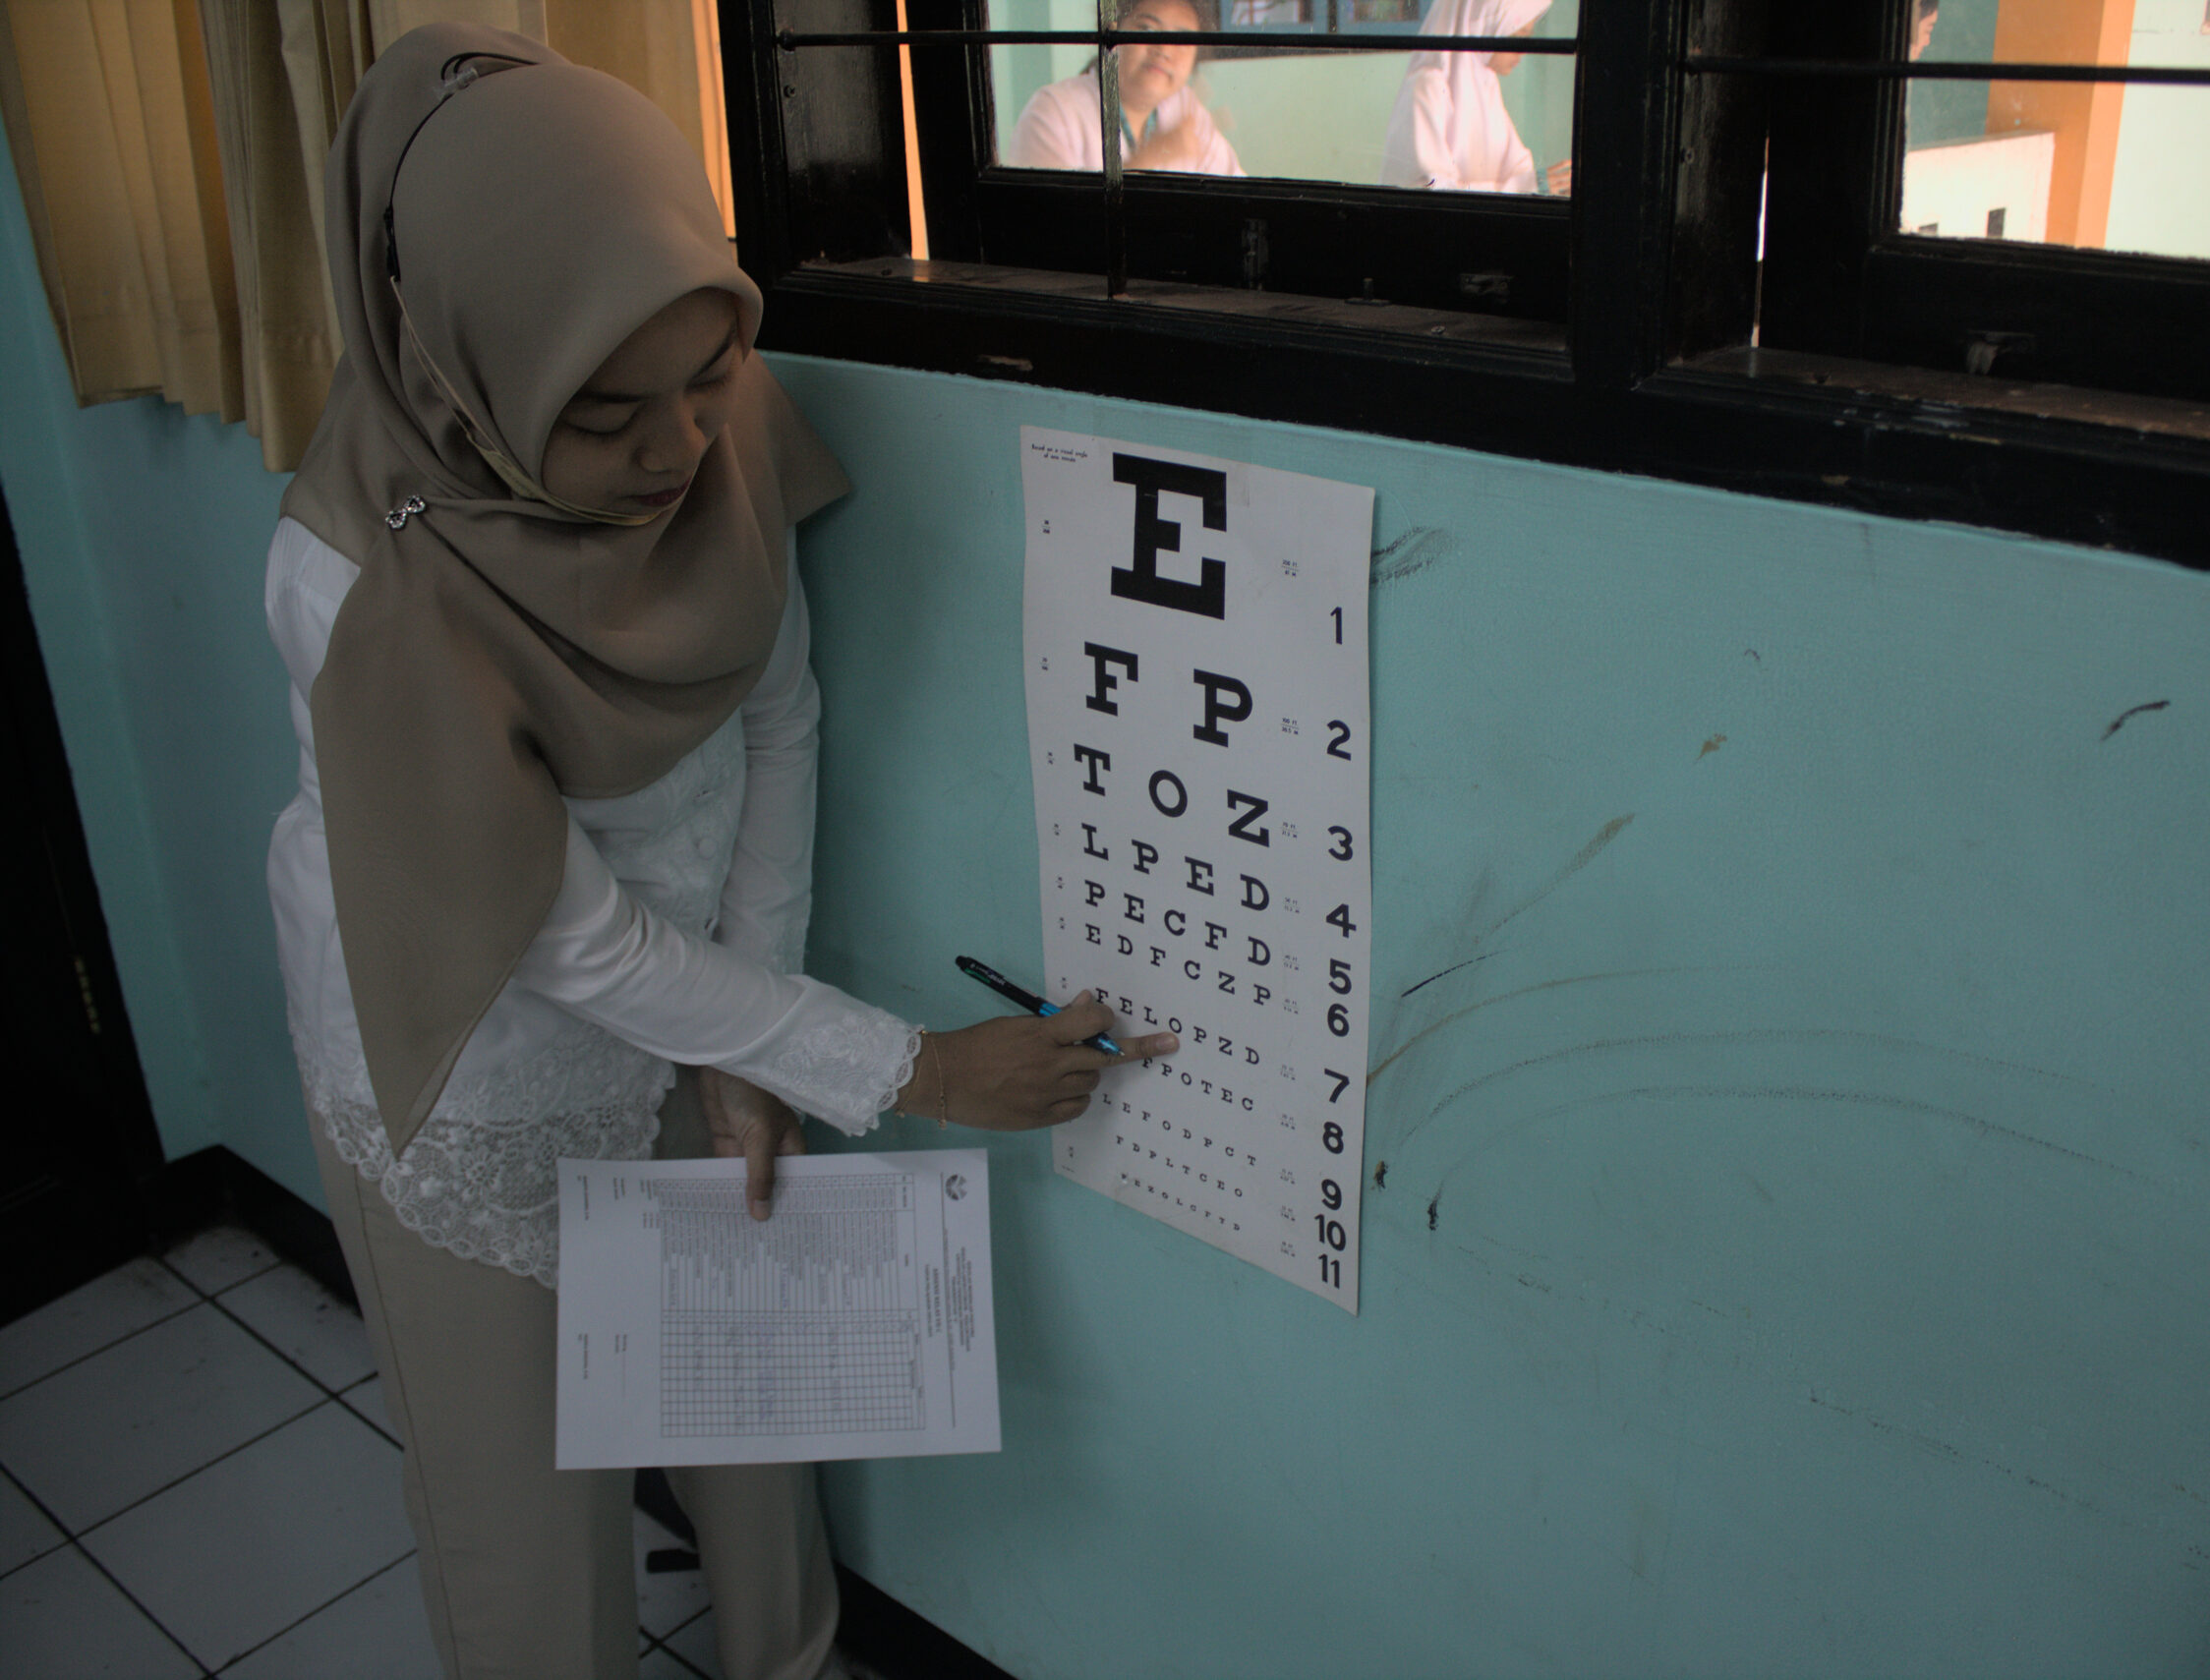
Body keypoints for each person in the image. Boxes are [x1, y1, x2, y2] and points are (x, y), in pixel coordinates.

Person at [265, 24, 1172, 1680]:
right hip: (484, 1057)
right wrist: (913, 1069)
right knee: (530, 1555)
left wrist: (755, 1055)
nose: (680, 450)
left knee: (756, 1428)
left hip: (709, 1001)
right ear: (468, 365)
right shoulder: (358, 587)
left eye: (706, 379)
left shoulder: (716, 416)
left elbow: (778, 713)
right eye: (608, 414)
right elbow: (558, 935)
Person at [1005, 0, 1246, 177]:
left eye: (1183, 39)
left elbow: (1236, 195)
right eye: (1147, 30)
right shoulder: (1053, 110)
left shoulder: (1185, 107)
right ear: (1114, 33)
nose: (1164, 49)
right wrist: (1148, 158)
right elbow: (1056, 221)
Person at [1379, 0, 1569, 196]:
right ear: (1484, 28)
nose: (1523, 50)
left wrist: (1542, 184)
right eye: (1518, 35)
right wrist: (1527, 186)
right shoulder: (1427, 86)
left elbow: (1516, 167)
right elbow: (1429, 191)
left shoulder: (1485, 82)